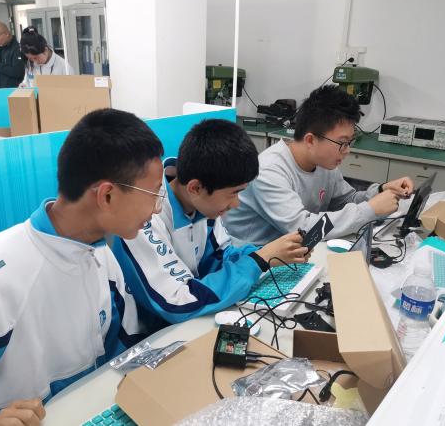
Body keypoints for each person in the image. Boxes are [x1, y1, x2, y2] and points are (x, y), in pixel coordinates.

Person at [0, 109, 164, 424]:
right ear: (107, 195)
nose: (157, 209)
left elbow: (118, 346)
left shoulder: (99, 253)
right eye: (153, 193)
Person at [113, 119, 308, 328]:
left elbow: (221, 257)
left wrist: (271, 253)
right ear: (195, 188)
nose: (236, 204)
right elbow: (178, 303)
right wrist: (259, 260)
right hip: (152, 334)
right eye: (233, 193)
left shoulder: (203, 204)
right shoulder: (143, 218)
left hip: (191, 322)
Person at [224, 85, 415, 245]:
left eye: (350, 142)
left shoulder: (324, 163)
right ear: (310, 140)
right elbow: (303, 230)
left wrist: (380, 191)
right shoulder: (269, 171)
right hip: (255, 255)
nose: (347, 150)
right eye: (342, 143)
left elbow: (347, 200)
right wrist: (370, 210)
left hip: (294, 252)